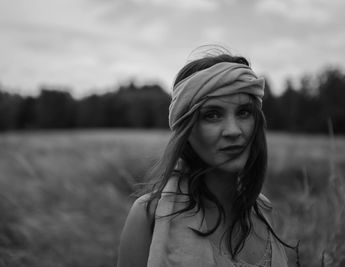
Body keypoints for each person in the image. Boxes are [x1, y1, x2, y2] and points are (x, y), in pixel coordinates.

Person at [117, 48, 293, 267]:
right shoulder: (148, 215)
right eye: (212, 115)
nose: (233, 130)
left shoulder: (263, 211)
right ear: (186, 130)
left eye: (243, 112)